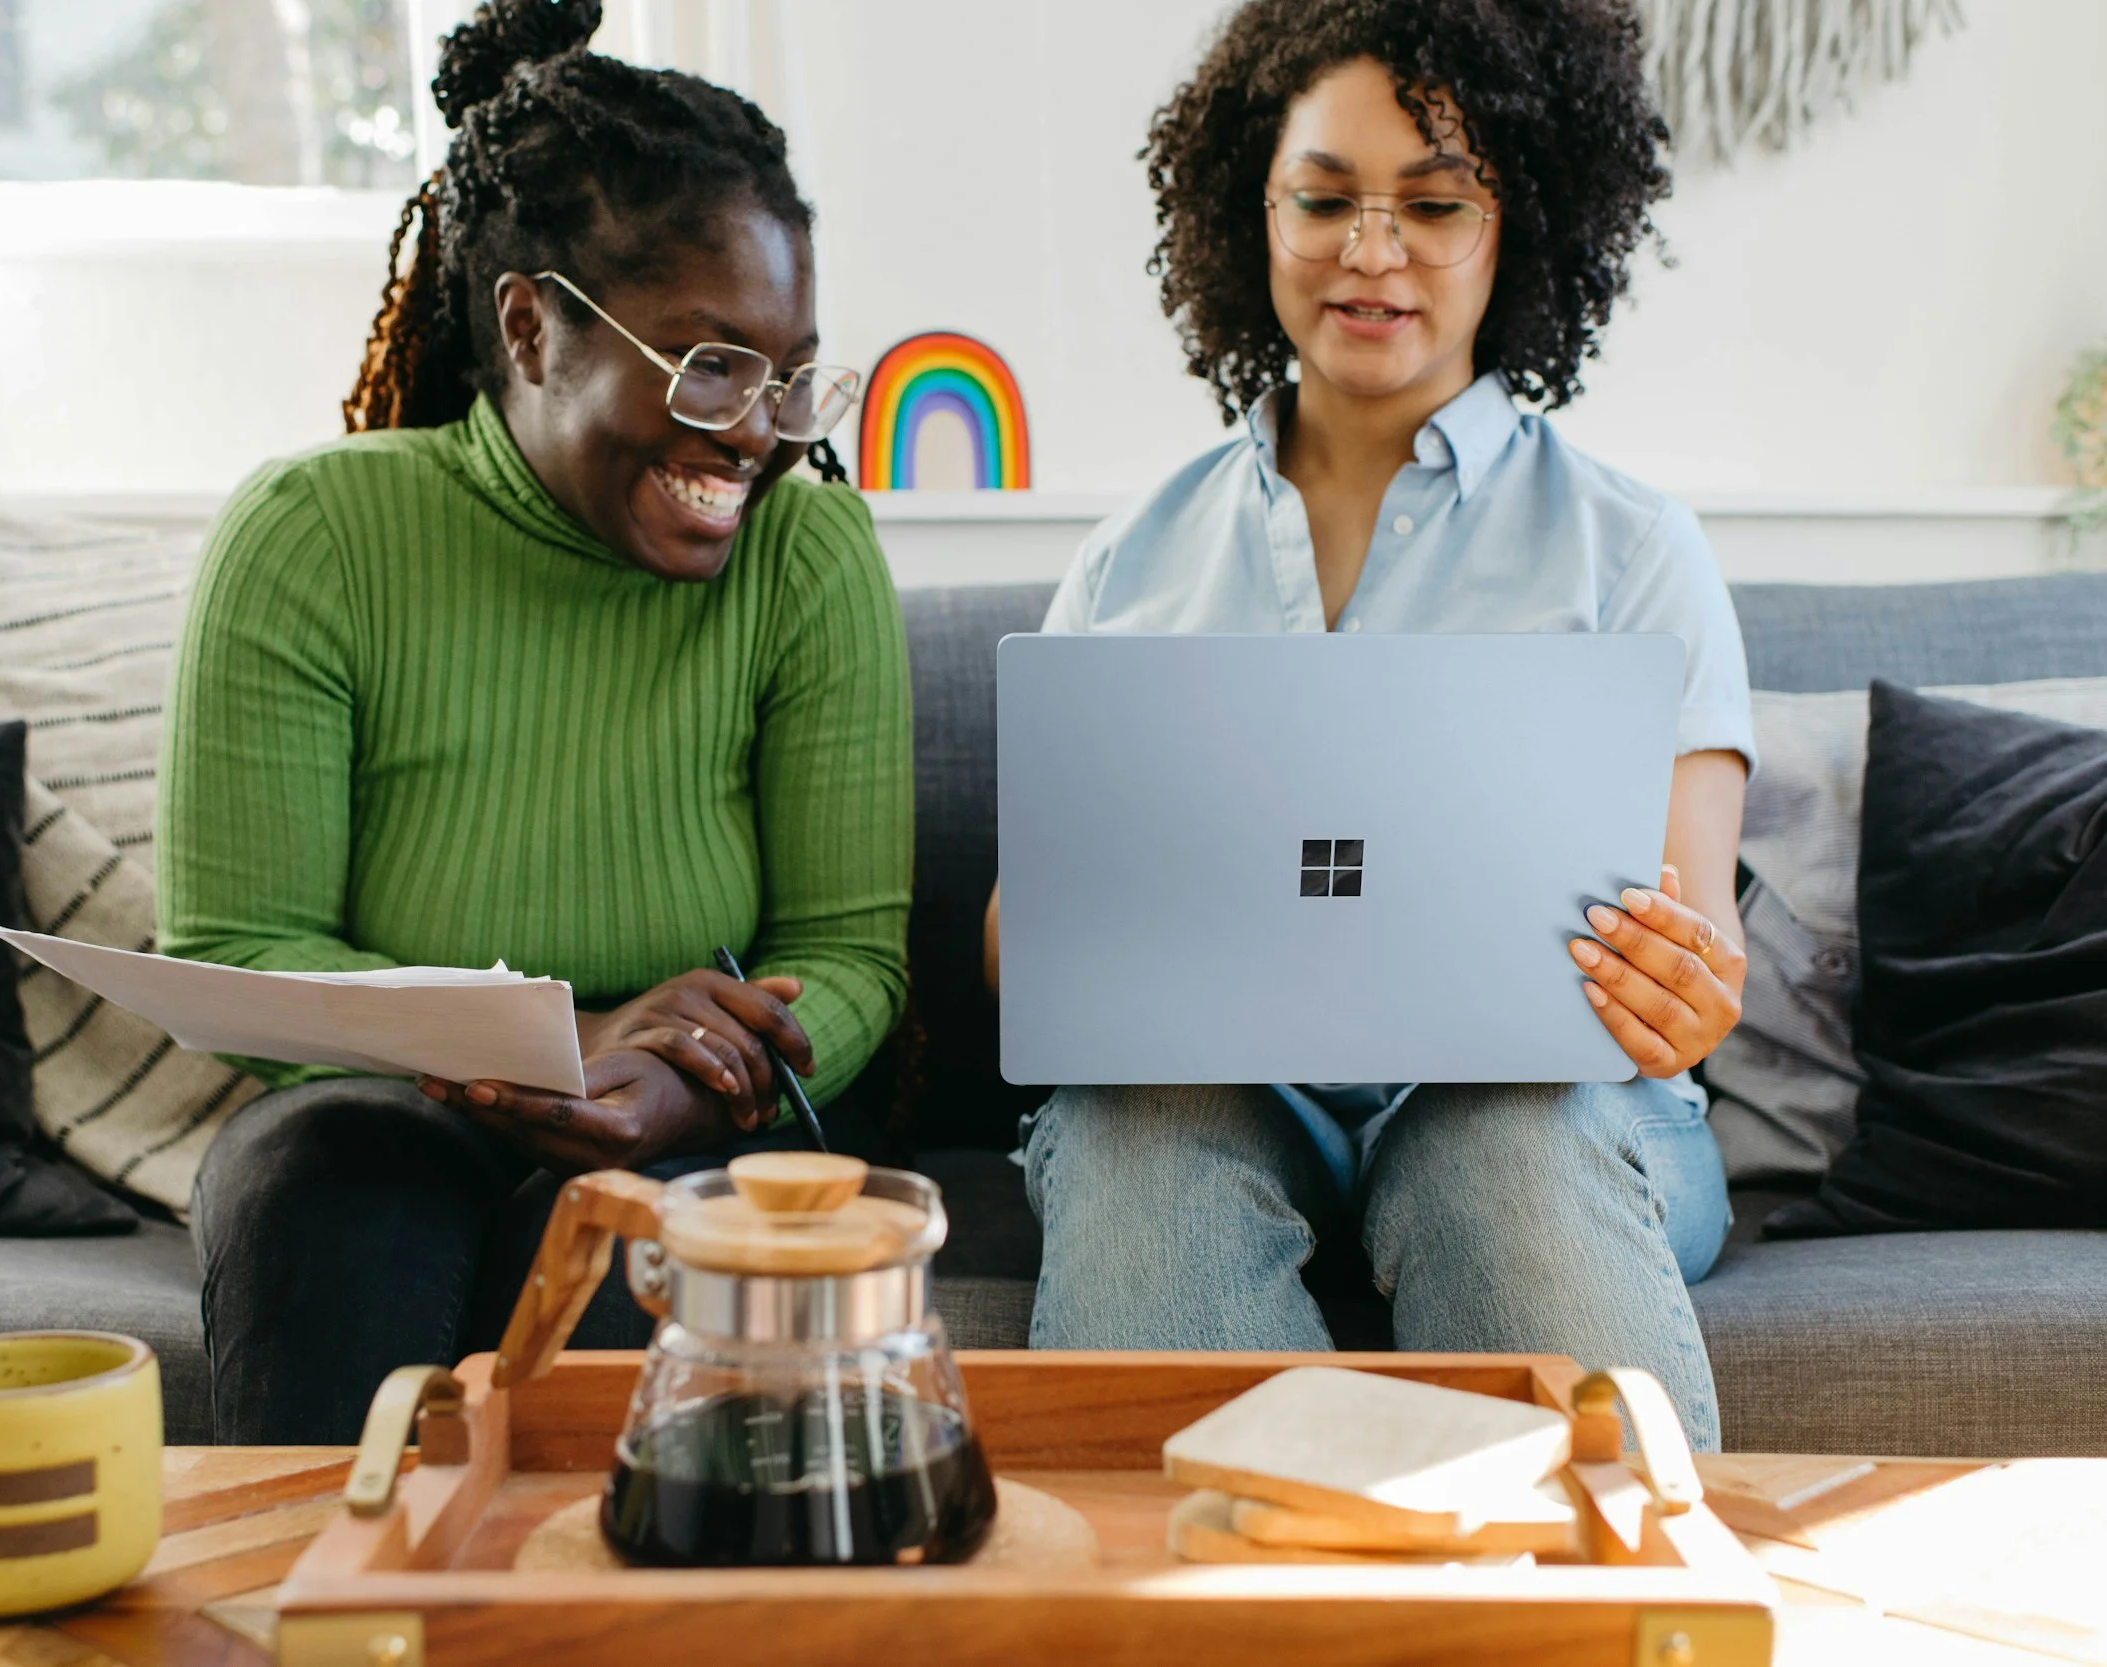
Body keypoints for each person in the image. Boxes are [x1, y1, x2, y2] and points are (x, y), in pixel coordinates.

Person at [984, 0, 1753, 1447]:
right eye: (1325, 199)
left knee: (1502, 1136)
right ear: (1254, 211)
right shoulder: (1132, 558)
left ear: (1518, 226)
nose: (1372, 251)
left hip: (1547, 1110)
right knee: (1131, 1134)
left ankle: (1611, 1574)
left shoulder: (1635, 548)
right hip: (1209, 1104)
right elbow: (1022, 952)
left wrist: (1684, 989)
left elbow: (1693, 938)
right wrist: (1077, 943)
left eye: (1435, 205)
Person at [157, 0, 911, 1444]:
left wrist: (685, 1083)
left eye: (787, 373)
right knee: (321, 1188)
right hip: (383, 1107)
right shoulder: (313, 535)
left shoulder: (809, 556)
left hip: (699, 1117)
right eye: (709, 364)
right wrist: (560, 1038)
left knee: (644, 1253)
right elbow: (236, 949)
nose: (760, 431)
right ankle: (324, 1574)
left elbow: (850, 954)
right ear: (530, 327)